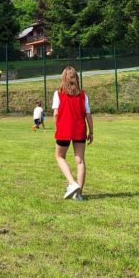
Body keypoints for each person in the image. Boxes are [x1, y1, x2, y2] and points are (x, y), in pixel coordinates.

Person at [52, 66, 93, 201]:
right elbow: (88, 115)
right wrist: (91, 132)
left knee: (59, 156)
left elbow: (56, 113)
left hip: (64, 129)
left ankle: (72, 183)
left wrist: (56, 127)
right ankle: (78, 194)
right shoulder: (83, 95)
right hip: (80, 130)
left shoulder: (58, 93)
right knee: (80, 161)